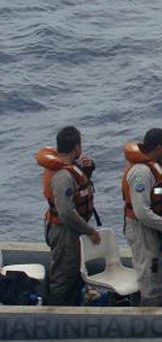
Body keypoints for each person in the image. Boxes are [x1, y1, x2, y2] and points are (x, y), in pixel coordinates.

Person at [121, 128, 162, 306]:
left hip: (155, 228)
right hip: (141, 230)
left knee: (156, 271)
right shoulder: (142, 173)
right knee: (150, 275)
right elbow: (142, 213)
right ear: (159, 148)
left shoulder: (158, 167)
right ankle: (147, 319)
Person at [36, 126, 101, 305]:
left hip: (71, 230)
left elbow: (79, 190)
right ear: (76, 147)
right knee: (63, 276)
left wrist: (87, 173)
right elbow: (66, 213)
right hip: (64, 231)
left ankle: (72, 305)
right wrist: (90, 231)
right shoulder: (62, 176)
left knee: (73, 272)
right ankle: (57, 315)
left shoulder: (72, 168)